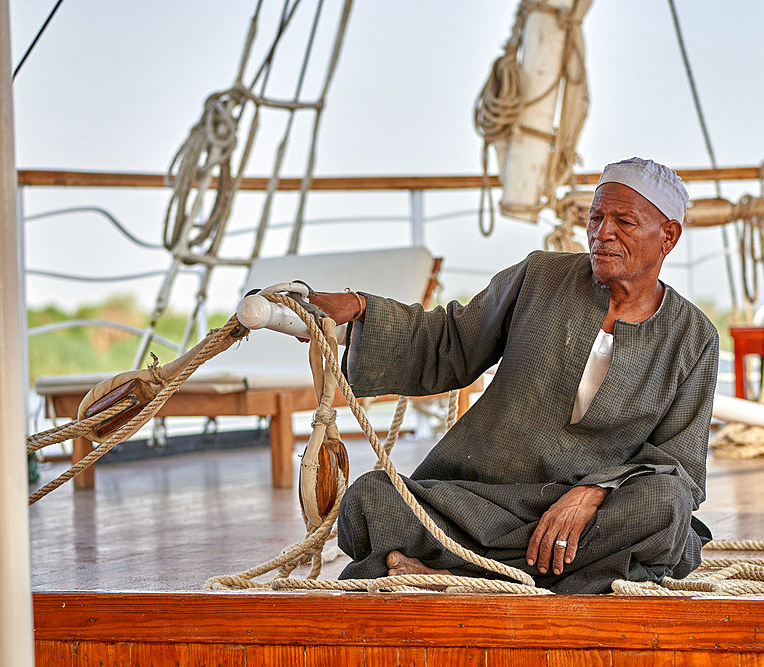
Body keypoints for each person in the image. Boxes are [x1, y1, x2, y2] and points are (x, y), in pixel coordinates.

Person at [306, 157, 718, 594]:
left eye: (624, 221)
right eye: (596, 217)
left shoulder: (693, 338)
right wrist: (360, 309)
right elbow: (450, 340)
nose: (602, 233)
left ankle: (458, 577)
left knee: (665, 508)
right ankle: (534, 581)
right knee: (370, 501)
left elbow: (679, 466)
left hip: (588, 517)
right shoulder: (539, 277)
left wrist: (593, 493)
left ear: (668, 236)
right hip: (483, 503)